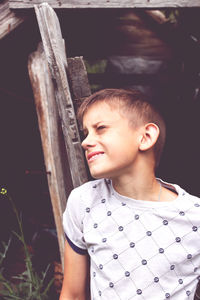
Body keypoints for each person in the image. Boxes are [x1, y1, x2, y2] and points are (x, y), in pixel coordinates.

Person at [59, 88, 200, 300]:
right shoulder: (83, 201)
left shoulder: (194, 217)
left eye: (101, 128)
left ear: (145, 137)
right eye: (86, 133)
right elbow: (72, 294)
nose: (85, 142)